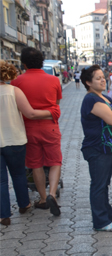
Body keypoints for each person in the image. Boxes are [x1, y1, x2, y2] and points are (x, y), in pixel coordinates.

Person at [0, 60, 54, 226]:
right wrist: (52, 112)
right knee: (18, 174)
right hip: (16, 140)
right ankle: (24, 204)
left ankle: (4, 215)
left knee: (1, 180)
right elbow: (30, 113)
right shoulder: (14, 91)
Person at [11, 47, 63, 216]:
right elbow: (56, 103)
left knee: (35, 164)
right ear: (42, 62)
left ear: (23, 63)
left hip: (28, 128)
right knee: (55, 161)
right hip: (50, 126)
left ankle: (42, 199)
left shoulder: (17, 82)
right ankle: (52, 194)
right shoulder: (54, 80)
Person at [79, 65, 112, 231]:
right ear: (88, 82)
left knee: (104, 182)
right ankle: (100, 221)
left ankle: (108, 213)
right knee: (98, 184)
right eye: (98, 78)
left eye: (103, 77)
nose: (103, 80)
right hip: (97, 148)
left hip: (107, 148)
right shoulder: (91, 99)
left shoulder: (105, 97)